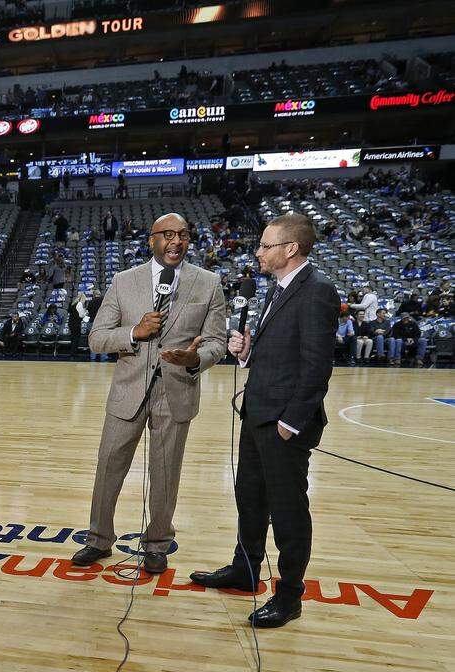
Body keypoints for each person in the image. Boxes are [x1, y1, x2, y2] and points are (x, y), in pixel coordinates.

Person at [191, 212, 339, 629]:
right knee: (250, 498)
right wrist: (247, 352)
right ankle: (245, 569)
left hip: (283, 424)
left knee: (289, 510)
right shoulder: (278, 289)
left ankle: (289, 595)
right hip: (258, 413)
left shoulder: (317, 292)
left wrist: (291, 422)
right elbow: (280, 355)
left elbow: (316, 367)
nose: (258, 252)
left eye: (265, 245)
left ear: (290, 249)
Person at [71, 213, 229, 574]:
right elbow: (97, 336)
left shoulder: (208, 283)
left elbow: (217, 342)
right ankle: (98, 539)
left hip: (177, 391)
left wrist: (195, 360)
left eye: (184, 235)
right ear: (151, 240)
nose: (176, 241)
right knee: (108, 467)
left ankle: (157, 543)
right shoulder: (124, 281)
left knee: (166, 472)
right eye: (168, 234)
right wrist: (133, 333)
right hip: (128, 392)